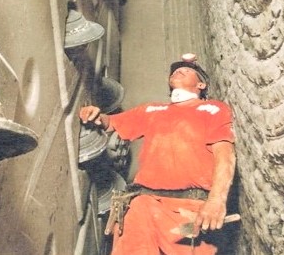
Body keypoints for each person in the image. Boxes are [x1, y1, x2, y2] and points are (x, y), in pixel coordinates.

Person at [79, 54, 236, 254]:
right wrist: (93, 115)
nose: (180, 69)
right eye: (176, 69)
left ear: (201, 85)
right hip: (144, 205)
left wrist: (217, 200)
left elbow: (225, 154)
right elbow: (110, 123)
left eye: (188, 70)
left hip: (190, 210)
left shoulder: (213, 109)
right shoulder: (153, 110)